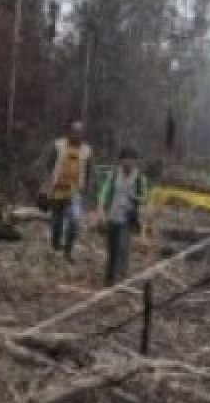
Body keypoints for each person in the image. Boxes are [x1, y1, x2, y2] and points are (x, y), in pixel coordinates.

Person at [40, 121, 93, 261]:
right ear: (69, 132)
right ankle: (56, 245)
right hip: (56, 189)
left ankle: (68, 251)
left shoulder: (87, 151)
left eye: (80, 132)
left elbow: (89, 172)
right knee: (56, 223)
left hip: (75, 191)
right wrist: (45, 188)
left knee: (75, 220)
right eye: (74, 131)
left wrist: (87, 191)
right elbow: (48, 167)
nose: (77, 135)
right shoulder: (58, 146)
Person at [96, 145, 148, 285]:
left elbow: (144, 200)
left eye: (132, 160)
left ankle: (121, 279)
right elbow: (103, 193)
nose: (128, 163)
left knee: (123, 247)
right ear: (121, 160)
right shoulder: (113, 175)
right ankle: (109, 278)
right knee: (112, 249)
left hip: (127, 218)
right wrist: (100, 211)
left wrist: (143, 227)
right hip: (112, 216)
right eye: (126, 160)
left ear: (136, 161)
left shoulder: (140, 179)